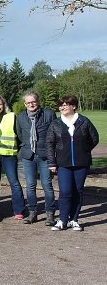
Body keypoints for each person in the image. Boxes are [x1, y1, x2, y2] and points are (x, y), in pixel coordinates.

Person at [46, 96, 99, 231]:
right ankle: (62, 220)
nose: (62, 107)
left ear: (73, 106)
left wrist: (83, 150)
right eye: (61, 105)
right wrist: (52, 162)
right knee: (65, 192)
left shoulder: (84, 121)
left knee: (78, 192)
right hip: (63, 164)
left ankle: (74, 219)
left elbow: (94, 139)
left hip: (82, 164)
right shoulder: (56, 124)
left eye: (66, 105)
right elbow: (50, 144)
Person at [16, 91, 57, 225]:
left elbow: (55, 134)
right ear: (25, 104)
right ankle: (32, 212)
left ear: (38, 101)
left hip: (45, 155)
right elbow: (20, 135)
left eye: (33, 102)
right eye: (28, 103)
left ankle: (50, 214)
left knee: (47, 185)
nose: (31, 104)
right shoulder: (20, 117)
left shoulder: (49, 114)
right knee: (30, 186)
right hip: (28, 155)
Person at [0, 96, 25, 220]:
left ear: (4, 105)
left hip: (9, 154)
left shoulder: (12, 117)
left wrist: (18, 151)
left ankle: (18, 210)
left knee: (14, 182)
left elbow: (19, 135)